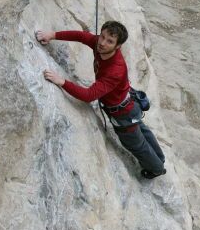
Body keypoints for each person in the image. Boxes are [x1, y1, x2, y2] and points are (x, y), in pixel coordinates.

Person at [36, 22, 166, 179]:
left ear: (118, 46)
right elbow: (81, 36)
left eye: (109, 41)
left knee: (135, 144)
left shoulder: (114, 70)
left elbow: (88, 95)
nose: (103, 43)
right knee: (141, 129)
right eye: (102, 37)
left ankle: (156, 168)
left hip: (122, 114)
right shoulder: (99, 45)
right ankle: (160, 158)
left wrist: (62, 81)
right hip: (128, 104)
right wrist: (52, 35)